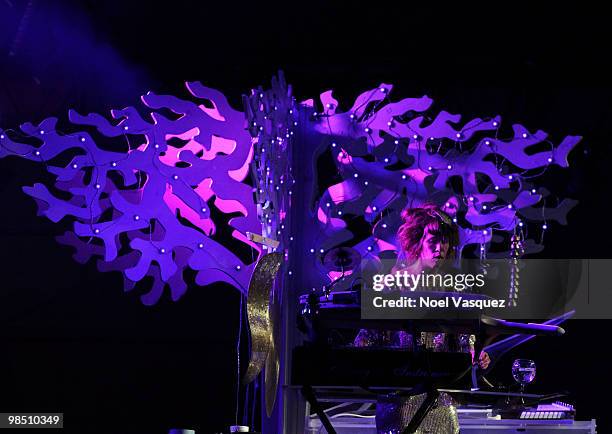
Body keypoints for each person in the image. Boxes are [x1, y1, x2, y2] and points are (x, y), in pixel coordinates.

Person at [354, 203, 489, 433]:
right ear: (417, 242)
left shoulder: (451, 288)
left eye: (445, 241)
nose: (440, 247)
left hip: (442, 405)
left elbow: (464, 343)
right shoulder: (393, 285)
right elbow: (364, 342)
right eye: (433, 240)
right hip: (400, 403)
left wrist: (475, 358)